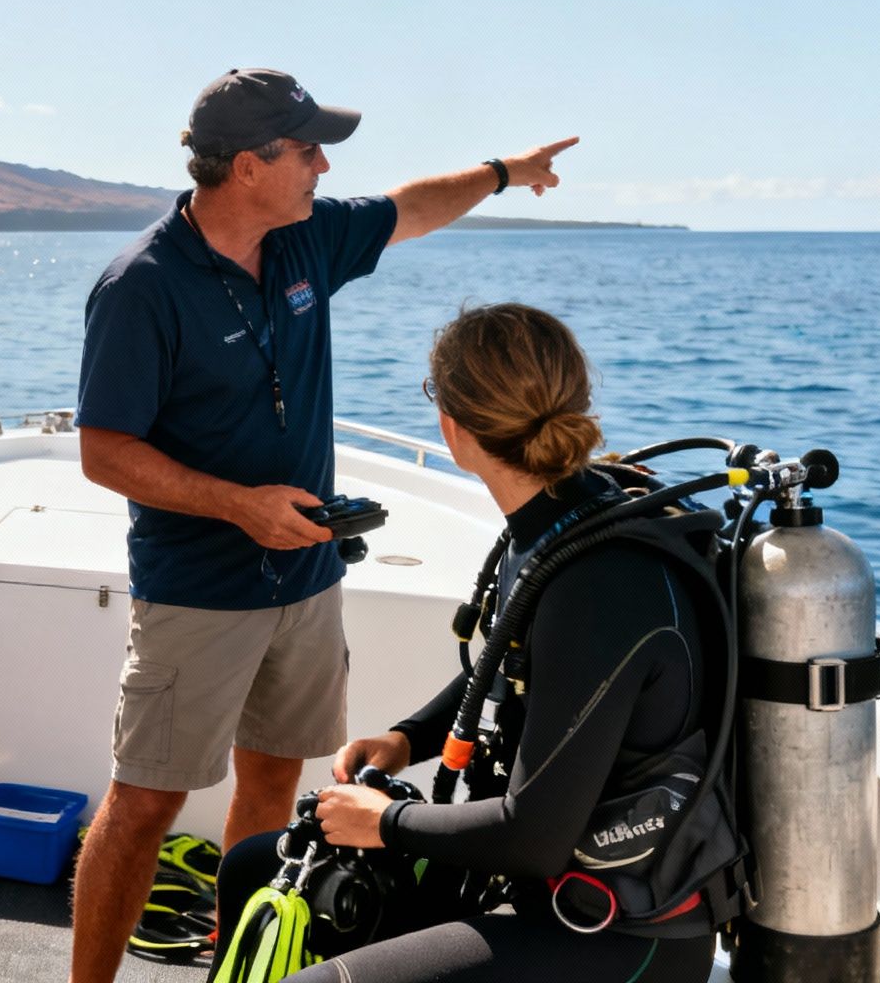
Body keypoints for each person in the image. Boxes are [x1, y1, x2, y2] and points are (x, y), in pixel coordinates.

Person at [70, 67, 578, 981]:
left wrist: (505, 171)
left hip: (309, 580)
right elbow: (105, 452)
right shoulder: (140, 286)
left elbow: (409, 208)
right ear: (249, 165)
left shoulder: (305, 237)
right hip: (198, 593)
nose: (322, 164)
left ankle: (239, 966)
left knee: (272, 779)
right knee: (145, 803)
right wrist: (239, 505)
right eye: (307, 149)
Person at [209, 302, 726, 982]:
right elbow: (514, 665)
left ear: (452, 428)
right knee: (254, 867)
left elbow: (534, 835)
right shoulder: (564, 521)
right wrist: (407, 737)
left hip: (617, 931)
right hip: (528, 885)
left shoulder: (599, 581)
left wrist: (385, 821)